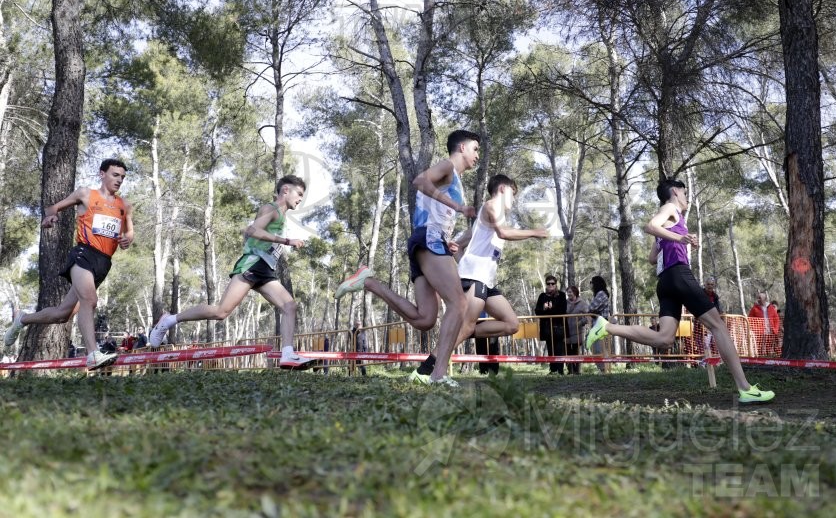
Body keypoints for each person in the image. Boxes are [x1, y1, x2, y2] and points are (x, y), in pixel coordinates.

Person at [585, 179, 774, 403]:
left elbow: (652, 258)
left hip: (665, 281)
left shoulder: (671, 218)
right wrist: (682, 238)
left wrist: (675, 239)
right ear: (675, 191)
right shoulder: (669, 208)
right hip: (678, 275)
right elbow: (650, 226)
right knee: (718, 326)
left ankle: (607, 327)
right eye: (684, 192)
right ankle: (746, 389)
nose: (686, 197)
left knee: (664, 339)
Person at [334, 130, 481, 386]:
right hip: (428, 239)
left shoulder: (454, 179)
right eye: (475, 149)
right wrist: (457, 208)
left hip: (428, 240)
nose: (477, 155)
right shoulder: (447, 166)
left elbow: (432, 209)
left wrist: (448, 241)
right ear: (461, 148)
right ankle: (437, 374)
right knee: (459, 304)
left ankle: (370, 283)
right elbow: (420, 181)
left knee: (425, 319)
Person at [147, 175, 313, 369]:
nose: (300, 199)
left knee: (289, 306)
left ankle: (287, 355)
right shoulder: (271, 209)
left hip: (266, 269)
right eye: (299, 194)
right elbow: (252, 230)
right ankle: (169, 320)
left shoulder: (282, 216)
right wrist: (286, 241)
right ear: (285, 190)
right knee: (221, 312)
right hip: (253, 264)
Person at [3, 159, 134, 370]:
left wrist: (128, 238)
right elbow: (53, 207)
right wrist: (50, 217)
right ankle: (93, 354)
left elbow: (129, 230)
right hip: (83, 254)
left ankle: (23, 319)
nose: (119, 180)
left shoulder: (124, 205)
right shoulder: (85, 194)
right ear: (102, 174)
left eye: (122, 177)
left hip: (103, 263)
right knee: (90, 300)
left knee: (62, 314)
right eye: (115, 175)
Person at [449, 174, 549, 370]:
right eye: (513, 193)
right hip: (474, 279)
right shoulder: (491, 205)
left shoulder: (483, 221)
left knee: (512, 324)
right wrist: (533, 232)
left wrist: (460, 259)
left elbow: (458, 247)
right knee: (467, 325)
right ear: (503, 188)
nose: (514, 198)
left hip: (485, 281)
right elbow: (503, 233)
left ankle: (464, 332)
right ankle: (431, 364)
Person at [536, 274, 567, 375]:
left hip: (559, 327)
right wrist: (544, 309)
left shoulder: (561, 295)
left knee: (559, 348)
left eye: (552, 283)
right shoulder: (542, 296)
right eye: (548, 284)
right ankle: (553, 369)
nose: (550, 285)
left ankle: (560, 370)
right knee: (550, 348)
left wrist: (551, 308)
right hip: (547, 328)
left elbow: (563, 310)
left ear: (556, 284)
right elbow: (537, 311)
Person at [564, 285, 591, 375]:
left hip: (577, 331)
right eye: (568, 292)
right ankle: (570, 370)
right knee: (567, 350)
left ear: (575, 292)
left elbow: (588, 316)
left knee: (576, 350)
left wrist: (580, 322)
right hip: (566, 330)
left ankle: (577, 370)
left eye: (570, 292)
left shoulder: (582, 303)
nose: (569, 294)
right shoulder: (565, 303)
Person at [748, 291, 781, 357]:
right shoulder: (754, 308)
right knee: (760, 348)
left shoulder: (771, 307)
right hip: (759, 332)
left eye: (760, 298)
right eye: (758, 298)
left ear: (764, 299)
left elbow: (776, 319)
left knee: (770, 347)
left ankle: (770, 359)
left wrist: (775, 329)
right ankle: (761, 360)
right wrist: (754, 330)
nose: (758, 300)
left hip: (770, 330)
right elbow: (750, 319)